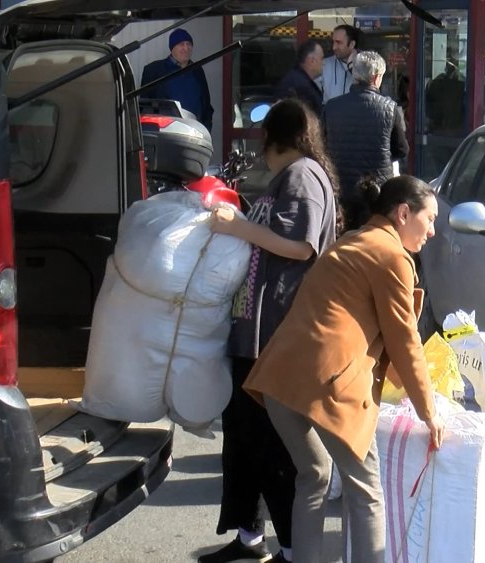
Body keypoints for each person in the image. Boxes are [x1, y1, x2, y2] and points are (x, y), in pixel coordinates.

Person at [242, 175, 445, 563]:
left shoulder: (352, 241)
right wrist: (428, 411)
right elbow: (405, 341)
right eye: (430, 219)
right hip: (329, 384)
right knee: (366, 489)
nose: (433, 231)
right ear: (404, 213)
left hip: (281, 377)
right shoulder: (391, 255)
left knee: (313, 476)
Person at [199, 98, 340, 563]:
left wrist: (238, 227)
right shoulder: (291, 176)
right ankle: (248, 536)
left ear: (275, 138)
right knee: (242, 435)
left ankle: (293, 546)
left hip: (275, 333)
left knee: (272, 443)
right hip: (254, 330)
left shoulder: (302, 177)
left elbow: (301, 246)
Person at [323, 51, 409, 231]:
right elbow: (401, 150)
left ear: (354, 76)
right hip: (377, 192)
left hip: (340, 189)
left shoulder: (332, 107)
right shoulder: (389, 108)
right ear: (377, 77)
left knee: (342, 243)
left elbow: (322, 146)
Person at [141, 28, 214, 131]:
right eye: (181, 44)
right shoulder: (154, 71)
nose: (186, 48)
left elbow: (206, 107)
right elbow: (145, 107)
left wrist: (206, 130)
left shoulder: (197, 71)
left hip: (195, 135)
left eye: (189, 44)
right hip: (166, 135)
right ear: (172, 48)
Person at [274, 40, 325, 116]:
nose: (324, 63)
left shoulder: (298, 79)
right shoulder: (301, 87)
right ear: (312, 61)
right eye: (322, 58)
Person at [321, 24, 360, 104]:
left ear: (352, 44)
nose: (334, 47)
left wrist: (353, 68)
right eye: (333, 42)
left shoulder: (366, 65)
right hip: (330, 114)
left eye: (339, 43)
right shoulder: (325, 65)